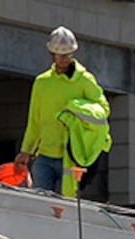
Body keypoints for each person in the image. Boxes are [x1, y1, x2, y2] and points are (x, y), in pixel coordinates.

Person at [15, 26, 109, 196]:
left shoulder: (84, 81)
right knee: (42, 203)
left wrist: (77, 107)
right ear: (52, 54)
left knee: (68, 206)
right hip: (44, 156)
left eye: (68, 54)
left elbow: (103, 110)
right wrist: (26, 151)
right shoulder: (42, 83)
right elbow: (34, 120)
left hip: (71, 156)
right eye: (61, 54)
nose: (65, 58)